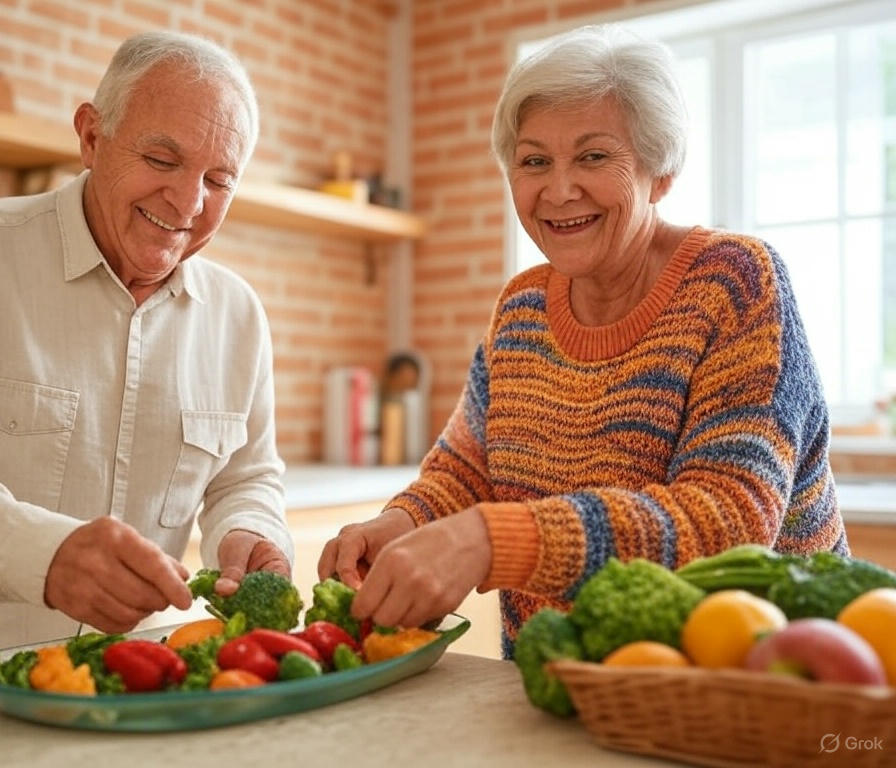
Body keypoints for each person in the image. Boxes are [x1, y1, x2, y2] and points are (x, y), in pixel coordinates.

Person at [318, 24, 846, 659]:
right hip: (568, 683)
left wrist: (493, 540)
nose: (559, 190)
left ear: (661, 171)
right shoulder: (519, 310)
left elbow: (728, 521)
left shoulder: (734, 281)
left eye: (594, 157)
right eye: (534, 161)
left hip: (761, 682)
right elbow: (467, 469)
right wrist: (400, 525)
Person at [0, 31, 293, 667]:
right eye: (161, 160)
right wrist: (40, 555)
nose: (188, 202)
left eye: (219, 178)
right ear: (92, 137)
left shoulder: (238, 317)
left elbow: (247, 476)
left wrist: (251, 534)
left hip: (135, 692)